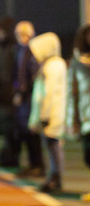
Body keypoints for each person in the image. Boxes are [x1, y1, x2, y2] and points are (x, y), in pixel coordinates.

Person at [28, 32, 67, 193]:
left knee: (54, 146)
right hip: (52, 113)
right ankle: (53, 177)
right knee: (51, 146)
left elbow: (49, 93)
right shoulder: (52, 64)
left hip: (52, 114)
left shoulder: (53, 66)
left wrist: (44, 115)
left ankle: (56, 178)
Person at [13, 21, 44, 177]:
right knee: (24, 130)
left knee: (32, 131)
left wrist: (23, 92)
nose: (22, 38)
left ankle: (37, 165)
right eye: (19, 34)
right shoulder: (20, 51)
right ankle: (32, 164)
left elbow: (32, 75)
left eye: (24, 34)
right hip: (23, 96)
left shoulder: (33, 51)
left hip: (30, 96)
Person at [0, 16, 18, 167]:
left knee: (12, 129)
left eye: (2, 32)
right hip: (1, 95)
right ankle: (9, 155)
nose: (0, 35)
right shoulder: (1, 49)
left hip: (9, 96)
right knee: (5, 129)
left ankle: (13, 157)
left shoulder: (12, 49)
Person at [66, 24, 90, 170]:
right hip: (85, 117)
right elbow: (72, 93)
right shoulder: (77, 61)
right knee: (88, 158)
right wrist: (71, 121)